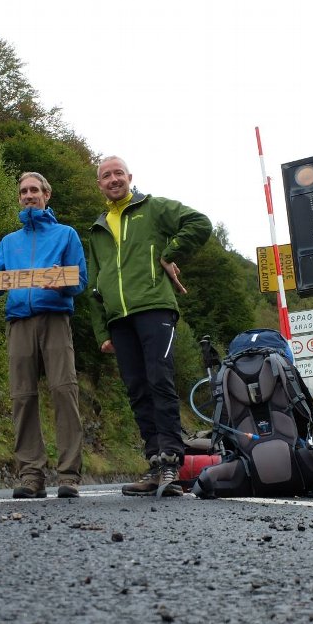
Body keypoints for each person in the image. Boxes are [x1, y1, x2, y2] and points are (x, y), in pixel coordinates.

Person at [86, 156, 213, 496]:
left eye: (118, 173)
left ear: (129, 177)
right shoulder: (97, 230)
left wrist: (169, 253)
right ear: (99, 184)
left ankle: (173, 463)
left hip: (155, 308)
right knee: (138, 391)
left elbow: (200, 223)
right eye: (105, 176)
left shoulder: (153, 208)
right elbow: (94, 286)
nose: (113, 179)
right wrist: (102, 332)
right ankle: (155, 465)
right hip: (119, 321)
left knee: (160, 381)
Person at [0, 171, 88, 499]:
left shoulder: (66, 235)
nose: (29, 195)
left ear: (47, 195)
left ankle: (69, 476)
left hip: (56, 318)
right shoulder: (9, 242)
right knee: (22, 397)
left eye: (35, 190)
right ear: (19, 198)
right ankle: (31, 475)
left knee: (64, 391)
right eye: (24, 191)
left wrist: (63, 282)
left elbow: (80, 280)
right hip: (18, 321)